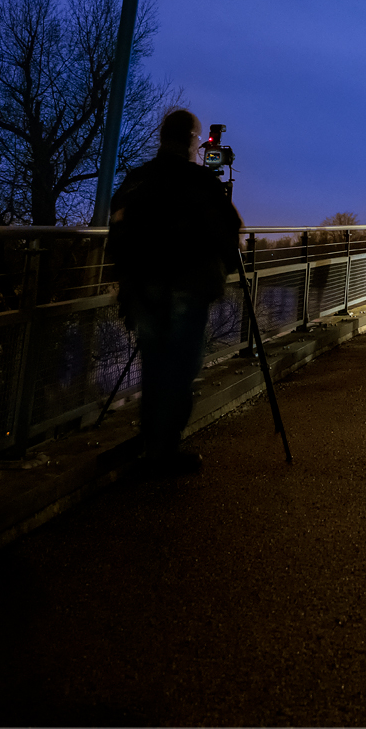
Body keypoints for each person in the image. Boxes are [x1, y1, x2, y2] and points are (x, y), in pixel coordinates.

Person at [108, 108, 242, 477]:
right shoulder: (200, 182)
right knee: (181, 368)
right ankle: (164, 450)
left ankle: (153, 443)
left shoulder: (137, 180)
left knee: (154, 364)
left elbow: (116, 227)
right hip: (187, 286)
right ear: (191, 141)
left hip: (143, 288)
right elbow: (228, 230)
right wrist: (224, 267)